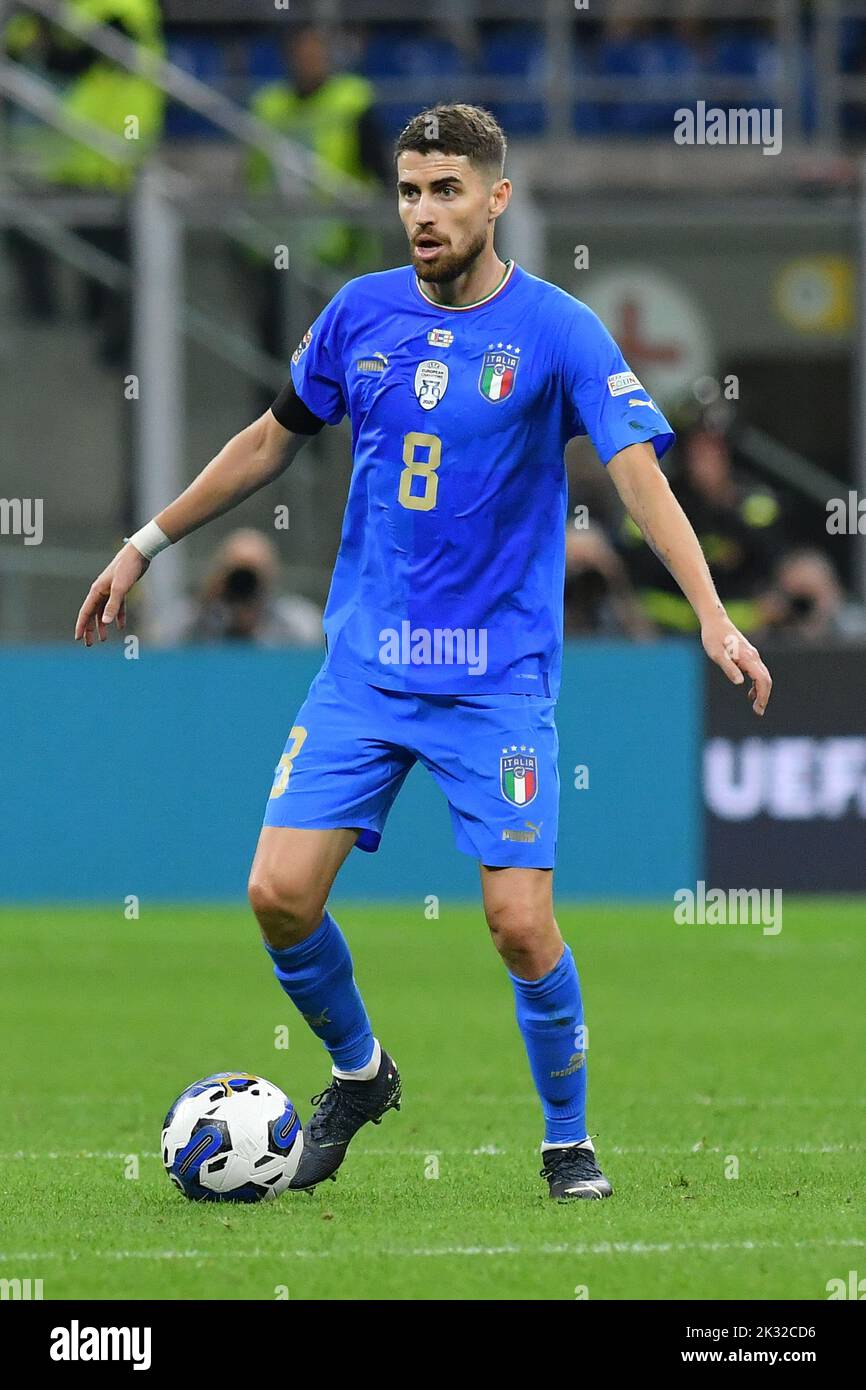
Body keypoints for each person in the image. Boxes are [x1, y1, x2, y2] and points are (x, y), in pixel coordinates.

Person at [76, 103, 772, 1203]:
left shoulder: (556, 331)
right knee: (276, 895)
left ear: (496, 199)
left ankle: (565, 1142)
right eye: (407, 192)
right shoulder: (359, 314)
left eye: (445, 191)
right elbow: (269, 439)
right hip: (363, 673)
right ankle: (361, 1072)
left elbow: (639, 477)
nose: (422, 213)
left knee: (517, 921)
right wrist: (146, 542)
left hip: (495, 685)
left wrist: (713, 611)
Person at [155, 528, 323, 648]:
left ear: (271, 575)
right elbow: (164, 649)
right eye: (238, 575)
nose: (244, 584)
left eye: (252, 575)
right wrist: (205, 606)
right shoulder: (191, 620)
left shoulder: (298, 623)